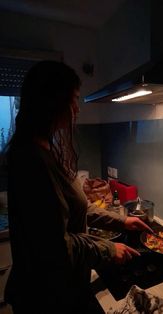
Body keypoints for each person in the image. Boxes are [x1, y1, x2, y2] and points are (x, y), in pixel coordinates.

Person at [4, 60, 151, 314]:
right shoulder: (31, 159)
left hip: (63, 287)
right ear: (51, 101)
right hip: (46, 298)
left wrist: (121, 221)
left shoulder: (44, 149)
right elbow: (55, 247)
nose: (77, 109)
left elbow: (77, 207)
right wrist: (107, 249)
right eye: (73, 99)